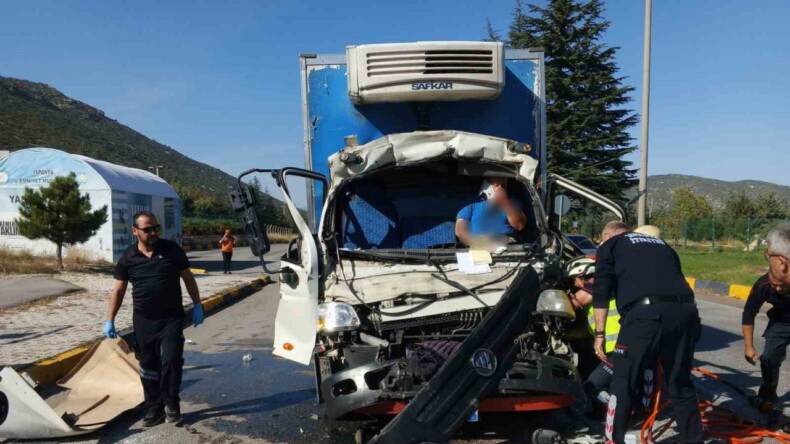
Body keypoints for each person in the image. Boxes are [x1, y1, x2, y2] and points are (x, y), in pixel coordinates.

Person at [592, 221, 703, 444]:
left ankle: (613, 440)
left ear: (607, 235)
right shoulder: (662, 245)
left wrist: (600, 334)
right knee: (679, 382)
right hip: (686, 313)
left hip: (645, 315)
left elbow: (601, 292)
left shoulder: (610, 245)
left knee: (623, 381)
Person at [103, 211, 205, 427]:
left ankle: (172, 404)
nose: (153, 233)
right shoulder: (128, 258)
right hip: (144, 320)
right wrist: (110, 319)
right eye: (147, 229)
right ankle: (154, 407)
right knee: (148, 365)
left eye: (155, 228)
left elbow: (188, 278)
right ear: (135, 232)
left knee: (171, 361)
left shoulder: (172, 251)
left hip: (171, 318)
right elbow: (119, 291)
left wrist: (197, 304)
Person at [742, 224, 790, 417]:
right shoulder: (763, 284)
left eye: (768, 255)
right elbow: (748, 313)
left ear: (781, 262)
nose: (778, 289)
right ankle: (768, 396)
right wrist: (748, 346)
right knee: (769, 358)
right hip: (781, 323)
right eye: (776, 285)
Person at [566, 257, 621, 414]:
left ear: (584, 275)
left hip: (619, 347)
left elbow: (574, 303)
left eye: (574, 280)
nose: (575, 285)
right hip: (614, 347)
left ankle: (616, 413)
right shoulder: (607, 284)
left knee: (592, 384)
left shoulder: (597, 282)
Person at [454, 177, 527, 247]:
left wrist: (505, 202)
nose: (499, 188)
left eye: (503, 185)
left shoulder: (513, 203)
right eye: (496, 185)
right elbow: (460, 232)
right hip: (478, 243)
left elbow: (519, 225)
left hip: (507, 243)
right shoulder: (471, 203)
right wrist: (480, 243)